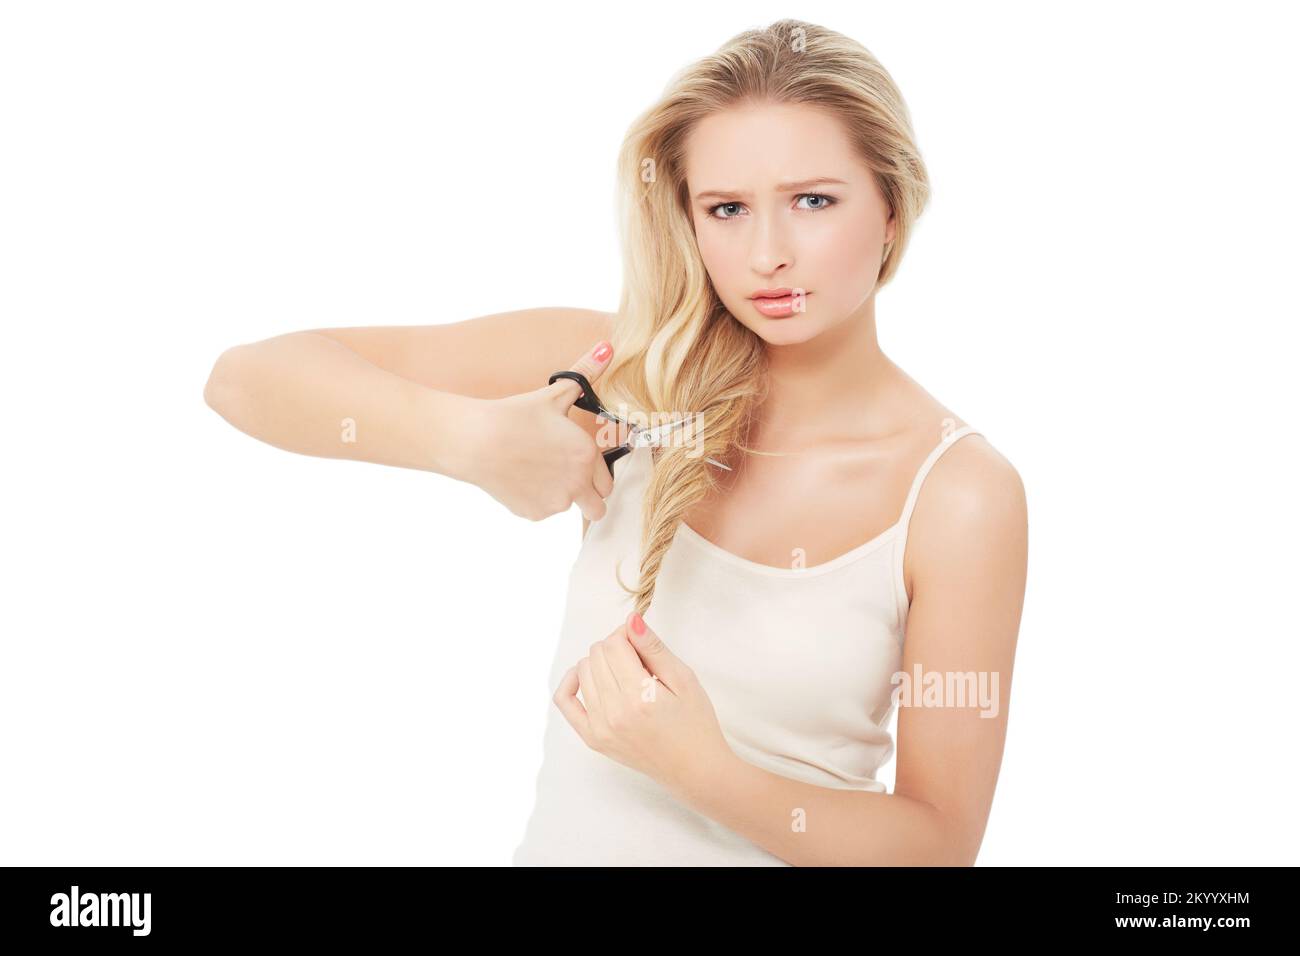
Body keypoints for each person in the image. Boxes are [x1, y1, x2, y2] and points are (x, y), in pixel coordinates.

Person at [203, 18, 1028, 866]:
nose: (769, 253)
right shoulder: (617, 373)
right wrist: (470, 441)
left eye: (813, 201)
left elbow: (938, 843)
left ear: (891, 206)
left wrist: (700, 770)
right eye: (728, 209)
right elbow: (247, 380)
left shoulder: (957, 492)